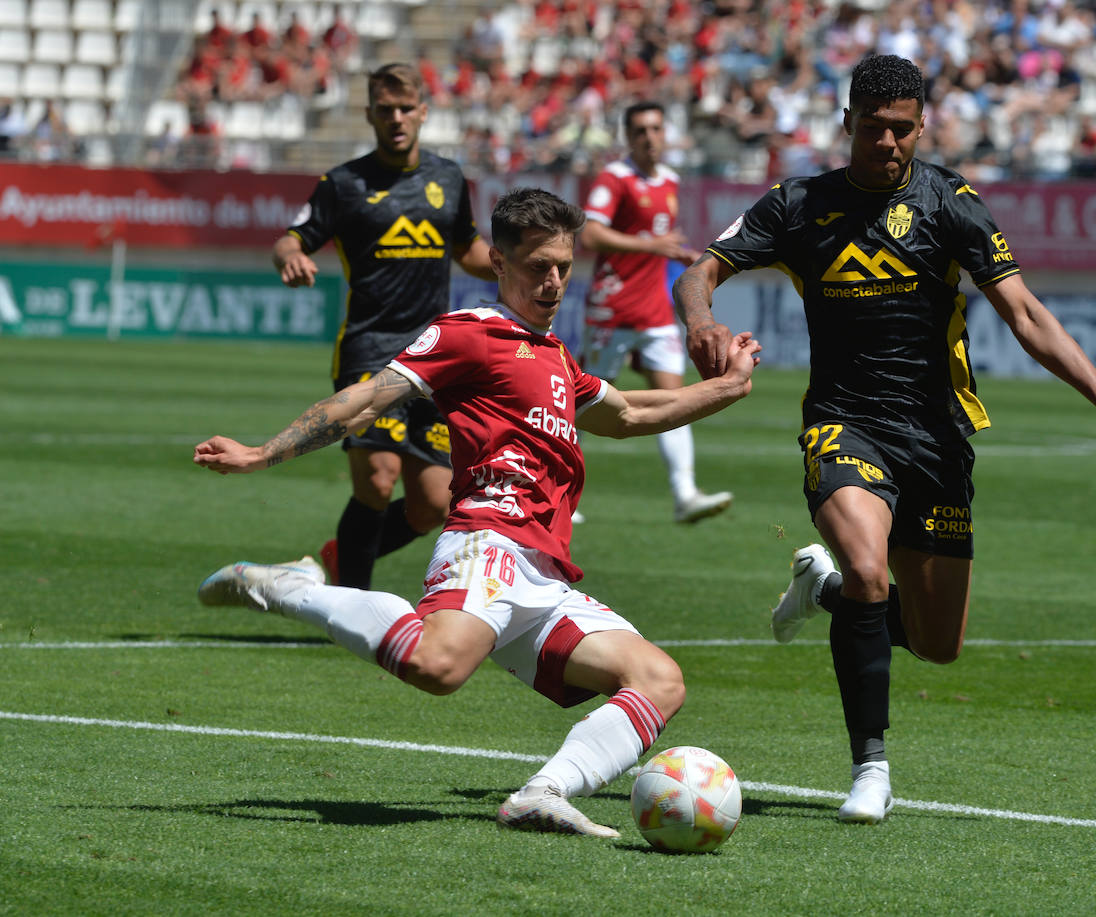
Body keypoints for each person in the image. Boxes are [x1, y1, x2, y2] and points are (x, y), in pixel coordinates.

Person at [674, 54, 1096, 825]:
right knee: (870, 570)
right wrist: (701, 320)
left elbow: (1025, 314)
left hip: (936, 433)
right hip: (844, 420)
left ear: (921, 125)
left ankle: (819, 588)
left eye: (903, 129)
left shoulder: (952, 202)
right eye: (874, 129)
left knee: (938, 645)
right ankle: (871, 765)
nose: (889, 143)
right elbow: (699, 270)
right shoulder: (798, 203)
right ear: (847, 126)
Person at [194, 188, 763, 837]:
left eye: (562, 266)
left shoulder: (555, 358)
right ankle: (294, 589)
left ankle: (543, 792)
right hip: (485, 541)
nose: (552, 281)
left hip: (545, 577)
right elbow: (367, 399)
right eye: (536, 266)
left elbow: (634, 413)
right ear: (499, 261)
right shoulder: (471, 331)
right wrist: (264, 451)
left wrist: (731, 383)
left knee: (659, 679)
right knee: (438, 668)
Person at [271, 63, 496, 590]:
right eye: (385, 109)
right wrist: (289, 258)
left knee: (433, 504)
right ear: (370, 114)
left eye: (405, 109)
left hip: (436, 354)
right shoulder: (342, 184)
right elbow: (292, 238)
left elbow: (468, 250)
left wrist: (515, 263)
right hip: (369, 351)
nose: (396, 118)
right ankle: (352, 603)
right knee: (378, 478)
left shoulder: (448, 179)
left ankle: (340, 557)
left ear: (423, 112)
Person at [578, 101, 733, 524]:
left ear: (665, 134)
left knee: (674, 398)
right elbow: (590, 232)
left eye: (656, 128)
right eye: (641, 130)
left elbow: (653, 241)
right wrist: (652, 246)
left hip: (654, 309)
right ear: (629, 137)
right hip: (611, 308)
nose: (649, 137)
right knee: (583, 402)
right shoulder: (615, 178)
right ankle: (554, 491)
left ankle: (685, 494)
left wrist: (675, 253)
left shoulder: (669, 180)